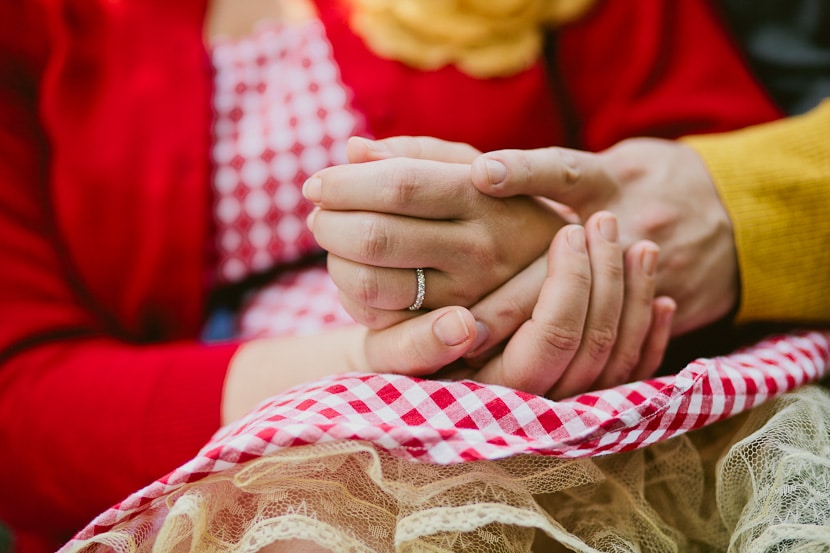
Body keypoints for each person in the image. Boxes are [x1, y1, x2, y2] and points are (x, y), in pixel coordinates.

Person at [0, 0, 781, 550]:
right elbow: (22, 395)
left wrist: (572, 277)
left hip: (560, 408)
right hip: (213, 431)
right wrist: (366, 373)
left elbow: (716, 189)